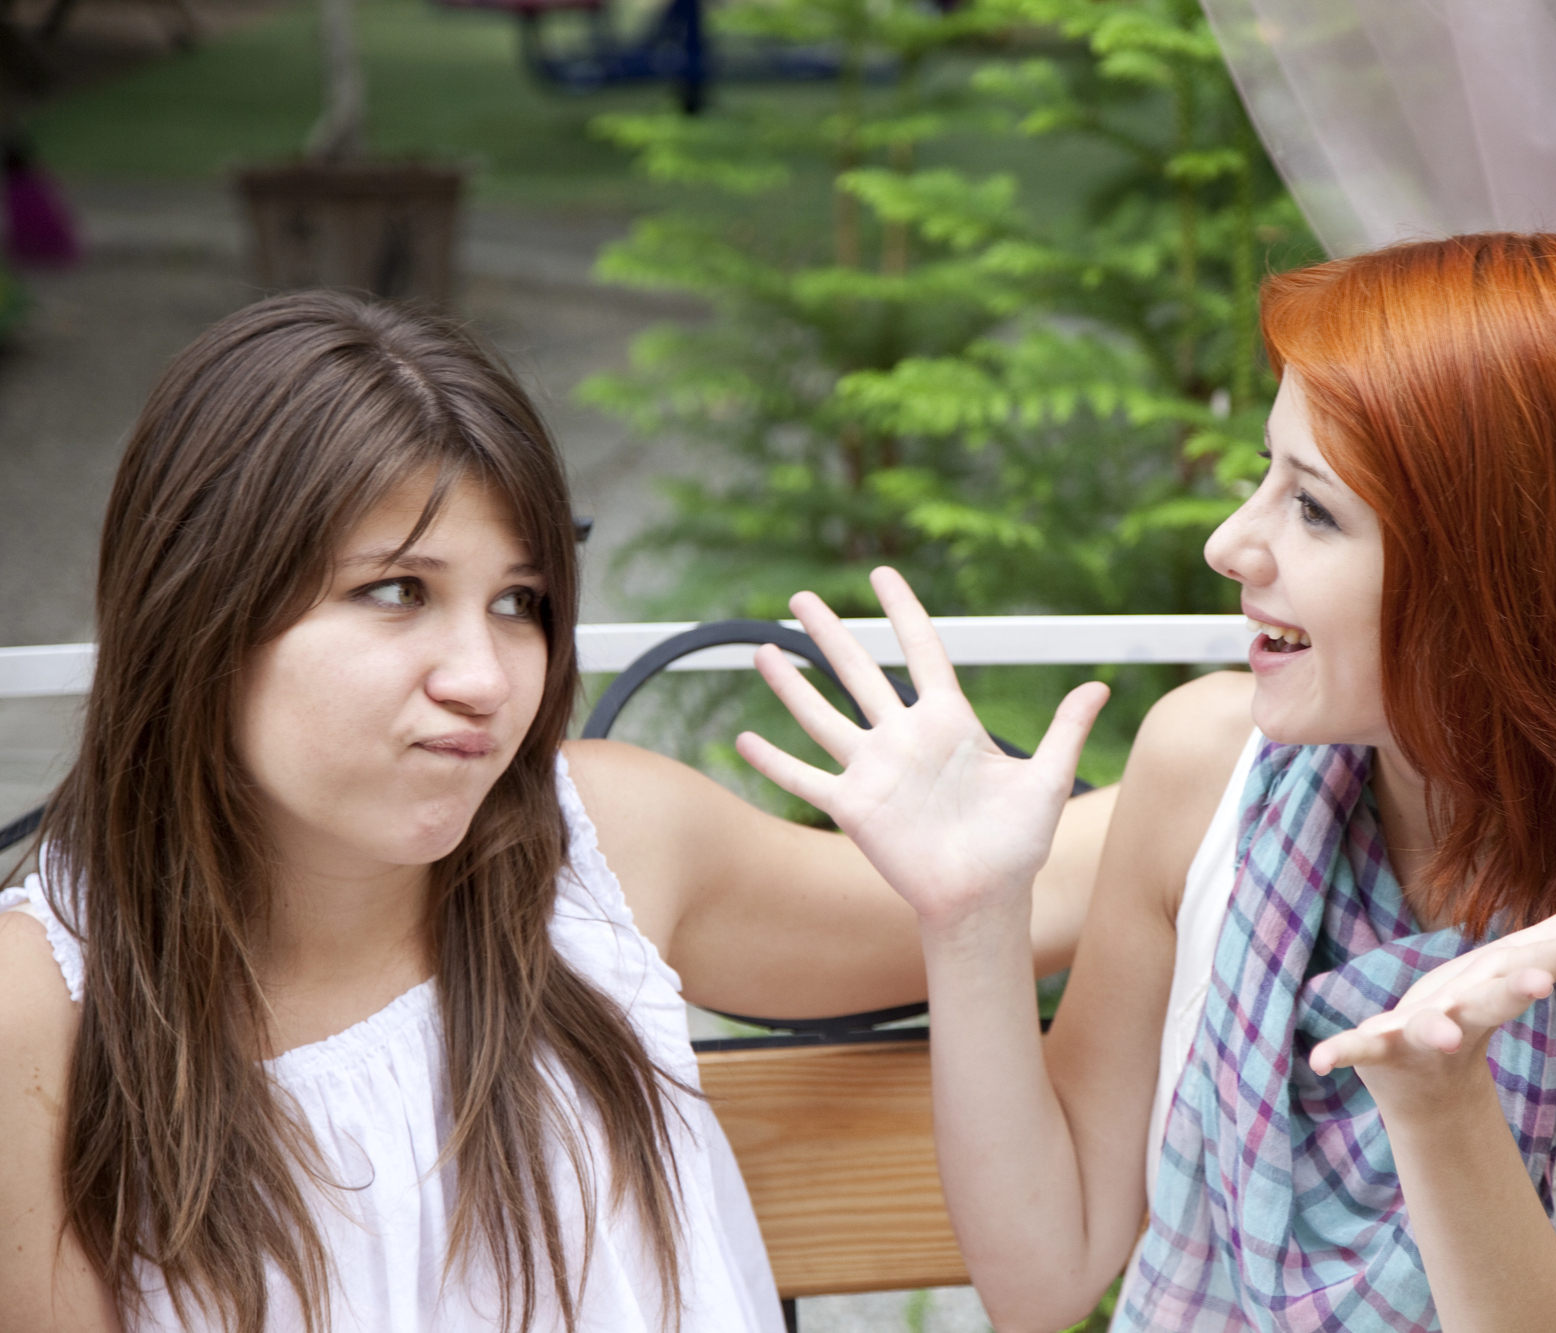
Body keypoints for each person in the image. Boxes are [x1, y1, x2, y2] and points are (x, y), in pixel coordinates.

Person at [739, 233, 1556, 1332]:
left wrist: (1438, 1107)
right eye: (1264, 478)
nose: (1232, 545)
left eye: (1313, 507)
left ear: (1511, 576)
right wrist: (972, 915)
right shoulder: (1202, 764)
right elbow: (1044, 1278)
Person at [0, 291, 1114, 1333]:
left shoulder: (602, 853)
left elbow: (1069, 869)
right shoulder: (39, 1011)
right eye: (398, 591)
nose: (483, 675)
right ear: (200, 603)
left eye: (519, 602)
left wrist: (1268, 700)